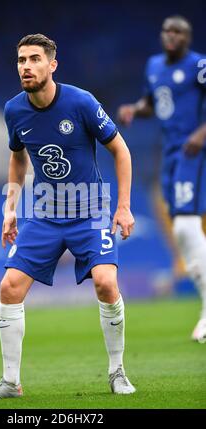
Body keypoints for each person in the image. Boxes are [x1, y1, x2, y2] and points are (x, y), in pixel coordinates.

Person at [0, 33, 136, 400]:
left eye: (34, 59)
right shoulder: (14, 109)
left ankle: (117, 372)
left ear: (52, 64)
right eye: (20, 60)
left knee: (106, 283)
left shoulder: (81, 102)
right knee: (9, 287)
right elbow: (18, 157)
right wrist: (10, 208)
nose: (26, 66)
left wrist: (123, 206)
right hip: (45, 213)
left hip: (90, 210)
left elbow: (121, 150)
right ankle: (10, 383)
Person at [117, 15, 206, 343]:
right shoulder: (154, 66)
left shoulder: (199, 65)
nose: (172, 36)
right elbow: (153, 103)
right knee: (184, 234)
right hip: (169, 153)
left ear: (188, 37)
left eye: (179, 32)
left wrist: (200, 134)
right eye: (167, 30)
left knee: (185, 226)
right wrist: (134, 109)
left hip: (193, 150)